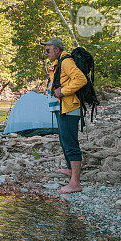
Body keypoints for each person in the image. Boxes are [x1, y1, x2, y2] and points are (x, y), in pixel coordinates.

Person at [42, 37, 87, 194]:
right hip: (62, 107)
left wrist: (63, 91)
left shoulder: (66, 61)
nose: (46, 53)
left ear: (57, 50)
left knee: (70, 142)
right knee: (63, 139)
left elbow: (81, 79)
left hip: (69, 108)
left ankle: (75, 183)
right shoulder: (58, 63)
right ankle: (70, 170)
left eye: (48, 50)